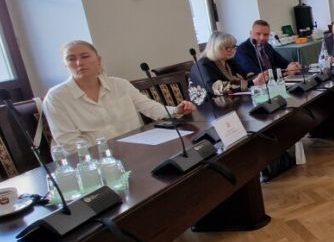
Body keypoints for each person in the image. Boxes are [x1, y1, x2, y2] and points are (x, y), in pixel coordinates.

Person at [43, 40, 197, 148]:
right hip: (97, 162)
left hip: (138, 149)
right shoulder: (57, 97)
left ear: (98, 60)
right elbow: (69, 143)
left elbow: (150, 108)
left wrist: (176, 110)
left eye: (85, 56)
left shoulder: (119, 84)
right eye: (71, 59)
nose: (79, 63)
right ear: (65, 65)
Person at [193, 31, 258, 93]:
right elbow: (218, 88)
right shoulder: (203, 65)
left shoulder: (229, 61)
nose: (231, 50)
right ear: (215, 48)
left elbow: (244, 76)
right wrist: (251, 82)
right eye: (227, 47)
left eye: (233, 46)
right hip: (211, 100)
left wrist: (257, 77)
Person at [233, 19, 302, 78]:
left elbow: (284, 62)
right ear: (251, 33)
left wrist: (294, 66)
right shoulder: (241, 50)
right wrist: (285, 72)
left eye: (266, 34)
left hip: (276, 81)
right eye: (258, 34)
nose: (262, 38)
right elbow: (256, 74)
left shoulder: (267, 46)